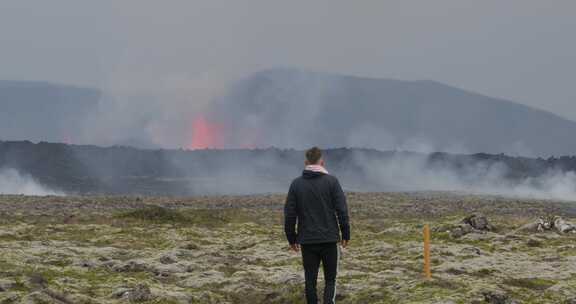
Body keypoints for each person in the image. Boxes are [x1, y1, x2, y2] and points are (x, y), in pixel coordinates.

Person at [284, 147, 351, 304]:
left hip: (307, 241)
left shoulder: (296, 184)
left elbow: (290, 214)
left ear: (306, 162)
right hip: (329, 239)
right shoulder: (332, 182)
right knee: (330, 280)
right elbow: (342, 210)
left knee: (310, 280)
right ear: (322, 162)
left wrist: (291, 238)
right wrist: (346, 233)